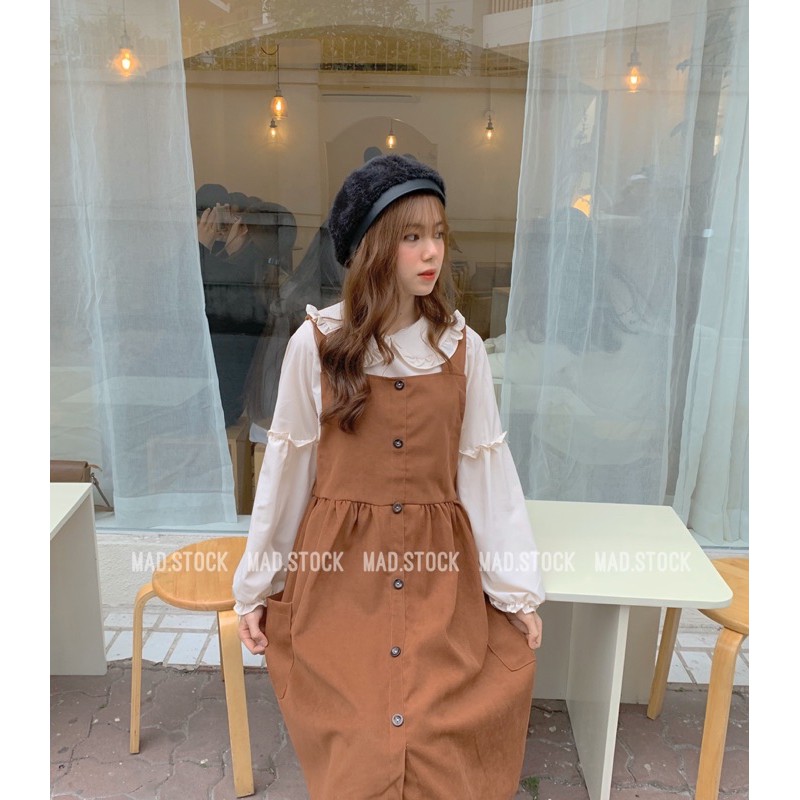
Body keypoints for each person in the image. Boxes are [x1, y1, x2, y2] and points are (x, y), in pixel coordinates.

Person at [233, 154, 545, 799]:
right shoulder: (315, 345)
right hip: (338, 577)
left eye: (438, 234)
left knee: (436, 730)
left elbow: (484, 472)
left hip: (439, 579)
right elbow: (287, 472)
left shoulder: (460, 348)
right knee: (364, 737)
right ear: (373, 246)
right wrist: (258, 586)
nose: (432, 252)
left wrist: (515, 590)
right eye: (412, 237)